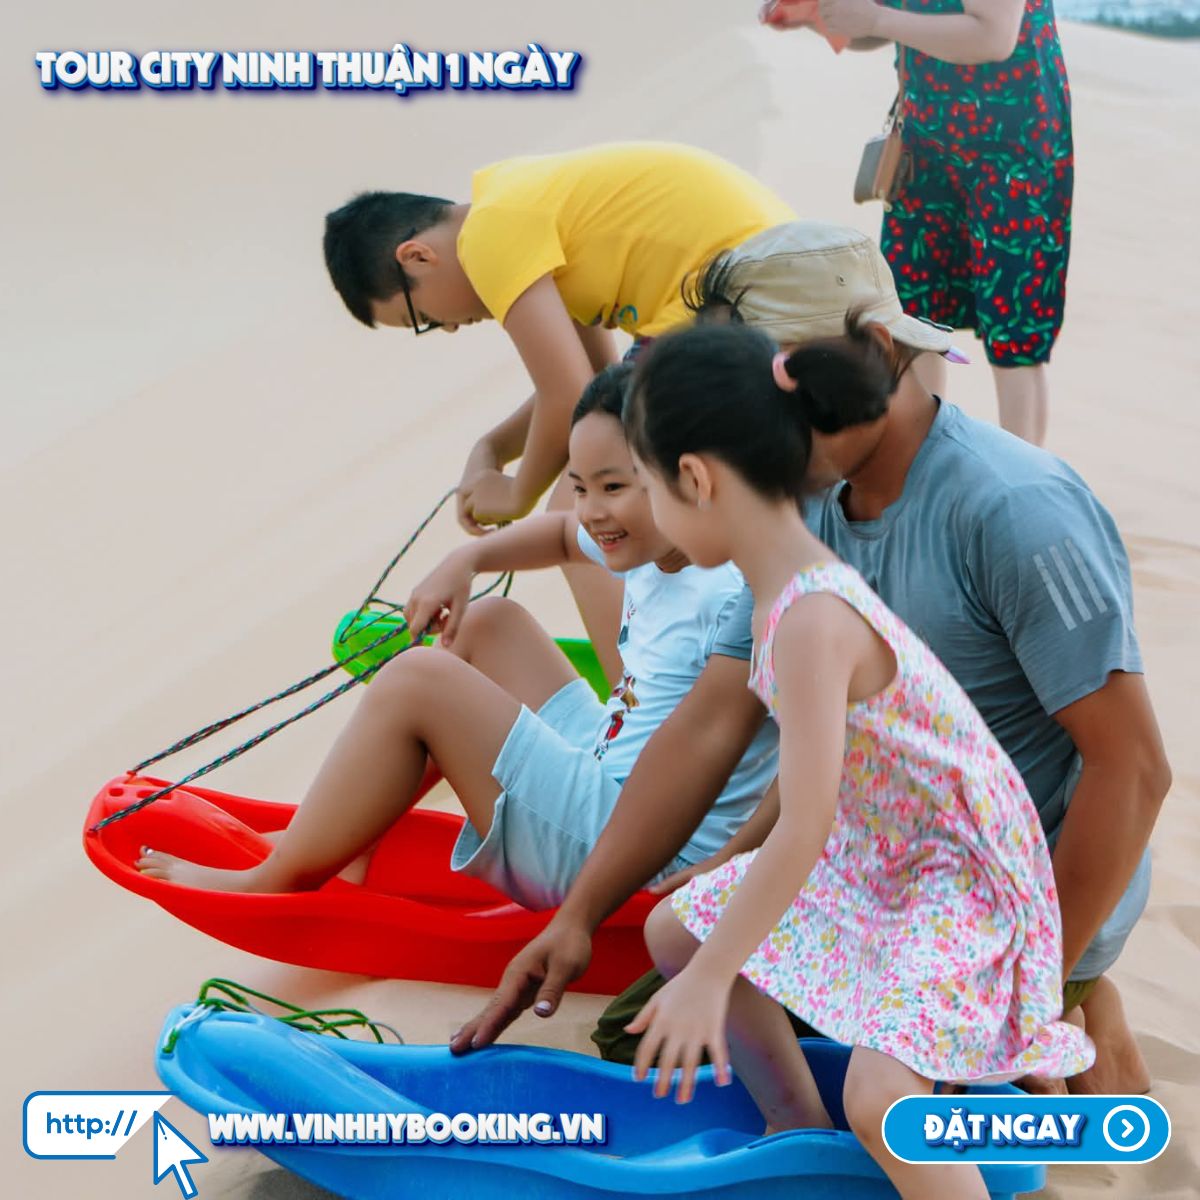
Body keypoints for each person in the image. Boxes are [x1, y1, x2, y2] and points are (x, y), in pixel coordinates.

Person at [458, 222, 1170, 1102]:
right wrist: (580, 913)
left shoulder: (1016, 510)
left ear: (870, 355)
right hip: (884, 871)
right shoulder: (800, 504)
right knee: (643, 1035)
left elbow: (1132, 769)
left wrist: (1027, 991)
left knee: (878, 1090)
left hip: (1017, 899)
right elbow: (713, 719)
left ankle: (1082, 1008)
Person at [620, 321, 1093, 1199]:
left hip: (959, 879)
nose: (652, 510)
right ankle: (799, 1134)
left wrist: (715, 979)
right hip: (883, 853)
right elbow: (819, 781)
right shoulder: (785, 590)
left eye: (647, 484)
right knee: (676, 930)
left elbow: (805, 826)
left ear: (695, 477)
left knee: (883, 1101)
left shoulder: (808, 615)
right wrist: (717, 918)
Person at [136, 366, 779, 915]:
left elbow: (815, 752)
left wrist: (728, 866)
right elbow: (561, 535)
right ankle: (348, 839)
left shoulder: (734, 596)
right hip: (612, 776)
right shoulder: (663, 539)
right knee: (487, 624)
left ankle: (277, 879)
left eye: (614, 487)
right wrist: (466, 561)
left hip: (637, 855)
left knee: (418, 679)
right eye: (581, 488)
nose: (591, 511)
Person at [322, 142, 795, 682]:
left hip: (743, 299)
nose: (447, 328)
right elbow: (596, 386)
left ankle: (639, 698)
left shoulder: (488, 238)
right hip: (758, 281)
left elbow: (568, 394)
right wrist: (491, 449)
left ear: (417, 257)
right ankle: (680, 644)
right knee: (611, 477)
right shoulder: (512, 204)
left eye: (422, 318)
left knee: (576, 508)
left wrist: (517, 494)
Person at [768, 0, 1073, 446]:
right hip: (926, 142)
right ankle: (921, 466)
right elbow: (895, 23)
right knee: (914, 318)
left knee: (1014, 331)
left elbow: (994, 37)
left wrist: (875, 18)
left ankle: (1022, 477)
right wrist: (819, 17)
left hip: (1014, 148)